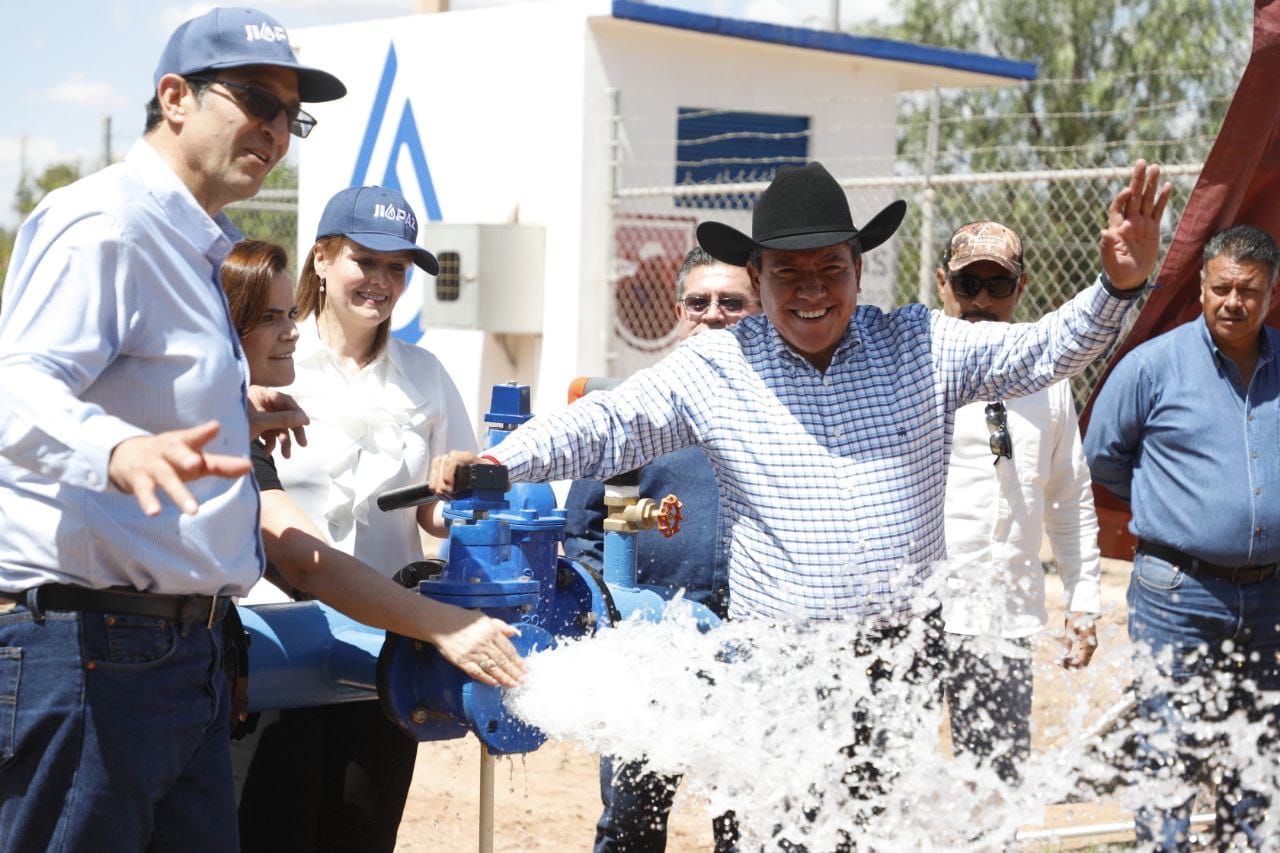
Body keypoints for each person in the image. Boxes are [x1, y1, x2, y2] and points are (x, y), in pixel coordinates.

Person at [430, 160, 1170, 839]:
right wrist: (499, 461)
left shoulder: (920, 346)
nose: (813, 291)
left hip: (896, 661)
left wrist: (1118, 286)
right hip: (778, 666)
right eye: (789, 272)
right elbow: (608, 422)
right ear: (758, 277)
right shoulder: (718, 364)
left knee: (875, 834)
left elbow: (1041, 351)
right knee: (778, 835)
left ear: (858, 268)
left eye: (830, 269)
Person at [0, 7, 344, 850]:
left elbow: (133, 382)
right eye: (256, 99)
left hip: (177, 654)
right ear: (175, 97)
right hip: (90, 649)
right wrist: (118, 449)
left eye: (290, 116)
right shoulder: (107, 224)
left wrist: (227, 416)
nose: (275, 130)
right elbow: (17, 387)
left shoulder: (197, 246)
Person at [217, 239, 523, 850]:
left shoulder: (425, 374)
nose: (381, 280)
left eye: (397, 269)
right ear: (322, 259)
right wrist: (445, 625)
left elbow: (439, 510)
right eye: (366, 261)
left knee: (360, 831)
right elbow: (298, 554)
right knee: (267, 828)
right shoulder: (270, 360)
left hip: (383, 645)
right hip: (272, 640)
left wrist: (463, 498)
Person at [1085, 223, 1280, 850]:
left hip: (1270, 597)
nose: (1234, 302)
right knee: (1171, 747)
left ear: (1271, 294)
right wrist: (1176, 510)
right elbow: (1103, 458)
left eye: (1249, 290)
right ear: (1201, 287)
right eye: (1222, 287)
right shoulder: (1152, 366)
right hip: (1177, 592)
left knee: (1259, 747)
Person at [563, 246, 759, 852]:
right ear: (679, 312)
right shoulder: (635, 408)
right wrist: (617, 613)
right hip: (654, 650)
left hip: (756, 651)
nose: (714, 314)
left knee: (749, 827)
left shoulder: (786, 413)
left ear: (762, 311)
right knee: (631, 825)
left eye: (733, 302)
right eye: (699, 302)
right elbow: (585, 530)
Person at [934, 221, 1102, 784]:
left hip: (1003, 616)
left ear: (1020, 288)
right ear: (943, 284)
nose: (981, 300)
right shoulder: (914, 366)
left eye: (997, 286)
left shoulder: (1048, 377)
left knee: (996, 785)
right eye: (968, 284)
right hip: (918, 610)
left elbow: (1069, 496)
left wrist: (1083, 598)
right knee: (892, 782)